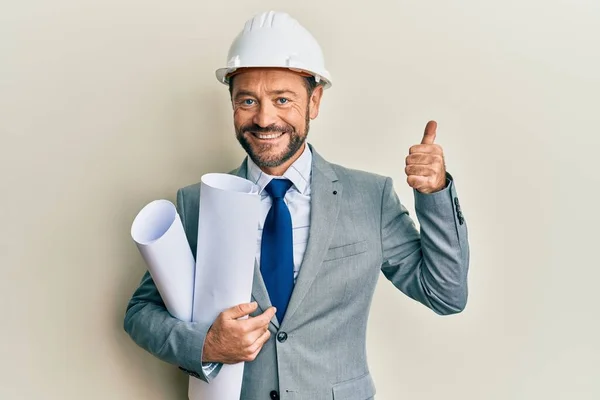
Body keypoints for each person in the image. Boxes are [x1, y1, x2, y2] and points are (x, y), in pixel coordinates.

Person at [124, 10, 470, 400]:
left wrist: (435, 193)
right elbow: (140, 314)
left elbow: (445, 294)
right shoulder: (197, 204)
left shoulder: (369, 198)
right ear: (233, 104)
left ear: (315, 101)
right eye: (248, 100)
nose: (264, 118)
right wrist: (204, 345)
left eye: (282, 99)